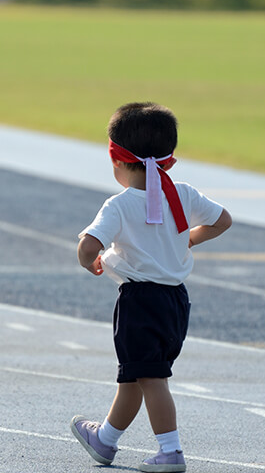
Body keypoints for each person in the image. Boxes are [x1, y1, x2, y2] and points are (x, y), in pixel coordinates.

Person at [70, 102, 232, 472]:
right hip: (176, 301)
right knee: (134, 375)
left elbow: (88, 246)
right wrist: (187, 239)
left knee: (152, 378)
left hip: (140, 301)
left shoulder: (120, 204)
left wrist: (90, 262)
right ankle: (105, 440)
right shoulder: (184, 194)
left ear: (117, 160)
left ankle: (170, 451)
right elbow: (223, 220)